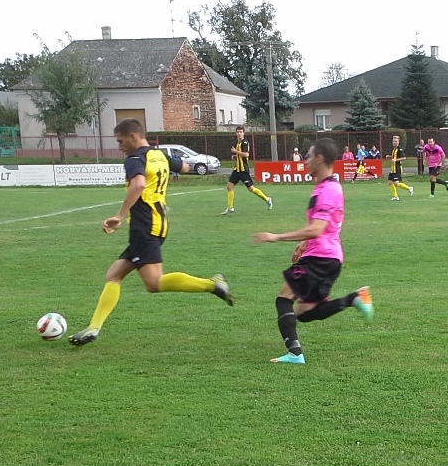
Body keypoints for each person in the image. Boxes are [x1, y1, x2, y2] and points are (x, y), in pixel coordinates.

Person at [69, 118, 233, 347]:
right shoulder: (159, 154)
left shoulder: (134, 159)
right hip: (159, 223)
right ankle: (93, 327)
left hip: (143, 226)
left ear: (133, 137)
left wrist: (119, 216)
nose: (119, 146)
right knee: (114, 275)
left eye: (120, 141)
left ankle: (212, 284)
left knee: (153, 283)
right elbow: (185, 167)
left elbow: (138, 185)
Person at [252, 138, 372, 365]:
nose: (305, 160)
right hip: (329, 257)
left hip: (320, 258)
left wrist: (276, 237)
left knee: (283, 298)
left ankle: (295, 354)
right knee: (305, 312)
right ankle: (354, 299)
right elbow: (325, 227)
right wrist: (304, 243)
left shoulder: (327, 190)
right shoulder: (329, 186)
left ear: (319, 158)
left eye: (308, 156)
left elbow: (317, 229)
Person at [221, 125, 273, 214]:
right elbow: (241, 155)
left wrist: (236, 152)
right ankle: (230, 207)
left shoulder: (244, 142)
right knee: (229, 186)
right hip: (237, 169)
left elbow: (246, 154)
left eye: (241, 132)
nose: (239, 133)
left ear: (243, 133)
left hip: (243, 170)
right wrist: (236, 156)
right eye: (238, 132)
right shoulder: (238, 143)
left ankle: (267, 199)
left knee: (251, 189)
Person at [387, 135, 415, 200]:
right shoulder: (394, 149)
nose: (394, 142)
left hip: (397, 168)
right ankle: (395, 197)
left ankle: (409, 188)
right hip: (393, 169)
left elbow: (404, 158)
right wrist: (390, 157)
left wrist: (395, 160)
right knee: (390, 182)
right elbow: (395, 158)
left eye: (396, 141)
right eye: (393, 141)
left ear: (398, 142)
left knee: (396, 183)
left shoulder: (400, 149)